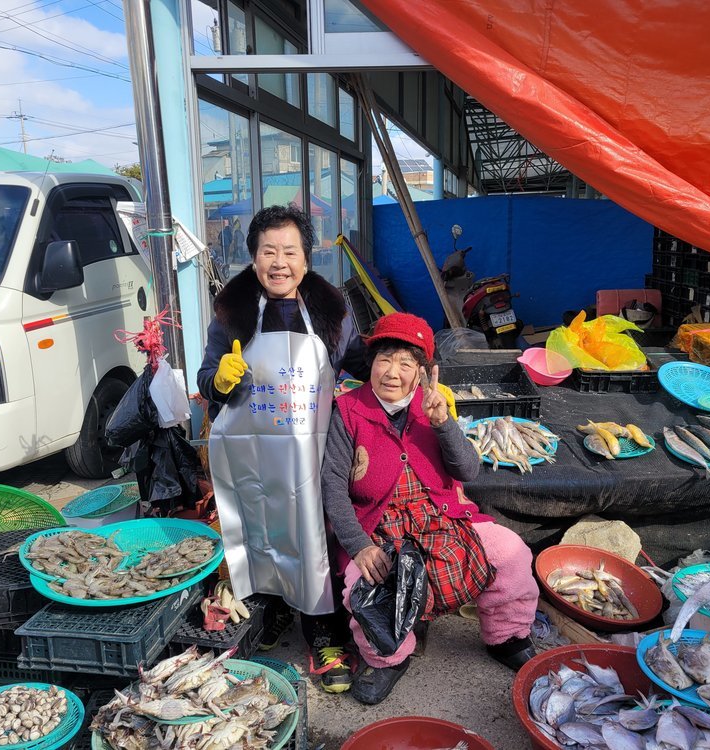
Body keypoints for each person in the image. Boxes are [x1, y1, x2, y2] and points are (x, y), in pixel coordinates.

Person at [321, 312, 540, 705]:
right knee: (367, 584)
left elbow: (468, 471)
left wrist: (444, 424)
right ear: (371, 363)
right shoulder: (348, 411)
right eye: (385, 359)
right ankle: (388, 658)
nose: (392, 371)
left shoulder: (434, 405)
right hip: (379, 528)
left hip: (441, 516)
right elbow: (334, 489)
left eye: (406, 362)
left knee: (511, 552)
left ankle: (506, 637)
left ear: (423, 371)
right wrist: (359, 546)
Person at [197, 204, 368, 694]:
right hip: (253, 452)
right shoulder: (231, 313)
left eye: (289, 251)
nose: (279, 262)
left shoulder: (331, 312)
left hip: (313, 449)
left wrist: (405, 377)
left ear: (306, 259)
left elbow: (360, 366)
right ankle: (271, 610)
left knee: (314, 531)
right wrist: (220, 382)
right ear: (253, 259)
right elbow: (208, 377)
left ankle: (321, 629)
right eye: (268, 251)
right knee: (260, 527)